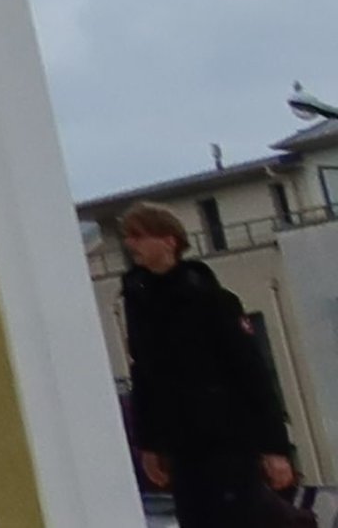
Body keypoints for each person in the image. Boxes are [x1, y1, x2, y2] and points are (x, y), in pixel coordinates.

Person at [116, 200, 303, 528]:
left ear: (168, 240)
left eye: (138, 235)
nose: (131, 244)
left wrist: (274, 448)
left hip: (228, 444)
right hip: (182, 449)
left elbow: (251, 375)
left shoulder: (210, 299)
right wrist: (148, 443)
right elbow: (144, 376)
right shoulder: (139, 300)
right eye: (127, 237)